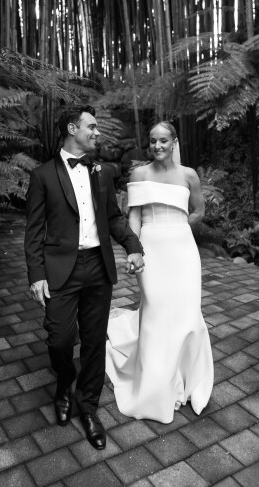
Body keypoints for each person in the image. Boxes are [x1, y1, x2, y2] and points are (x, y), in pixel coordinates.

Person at [24, 104, 144, 450]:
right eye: (91, 126)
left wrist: (133, 246)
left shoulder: (102, 172)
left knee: (94, 341)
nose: (97, 132)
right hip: (60, 268)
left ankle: (88, 406)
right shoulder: (43, 175)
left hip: (98, 265)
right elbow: (34, 231)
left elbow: (114, 217)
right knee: (60, 339)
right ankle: (64, 382)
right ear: (72, 128)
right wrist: (36, 274)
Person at [105, 121, 214, 424]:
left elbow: (199, 210)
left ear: (174, 142)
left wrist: (178, 225)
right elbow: (135, 216)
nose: (157, 146)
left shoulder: (188, 175)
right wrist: (134, 249)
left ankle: (186, 378)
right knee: (155, 310)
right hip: (151, 248)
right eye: (153, 141)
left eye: (163, 141)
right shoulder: (139, 175)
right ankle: (155, 386)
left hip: (183, 250)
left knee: (187, 312)